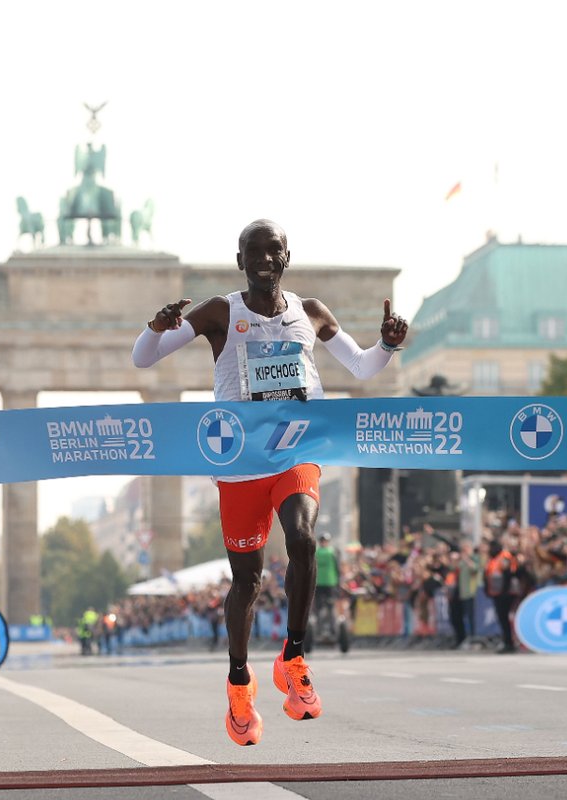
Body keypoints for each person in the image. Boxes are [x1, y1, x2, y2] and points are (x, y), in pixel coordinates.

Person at [132, 218, 408, 746]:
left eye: (273, 249)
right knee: (248, 581)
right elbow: (144, 359)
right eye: (253, 251)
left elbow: (362, 367)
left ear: (286, 257)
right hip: (238, 461)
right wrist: (156, 328)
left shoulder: (310, 312)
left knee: (303, 540)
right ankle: (239, 680)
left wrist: (386, 347)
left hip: (296, 451)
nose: (263, 258)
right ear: (241, 261)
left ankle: (294, 655)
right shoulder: (220, 311)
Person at [483, 538, 519, 653]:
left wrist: (504, 592)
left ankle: (509, 643)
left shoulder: (504, 557)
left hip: (505, 593)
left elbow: (508, 575)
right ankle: (507, 641)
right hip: (497, 593)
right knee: (502, 618)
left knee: (504, 618)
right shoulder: (493, 559)